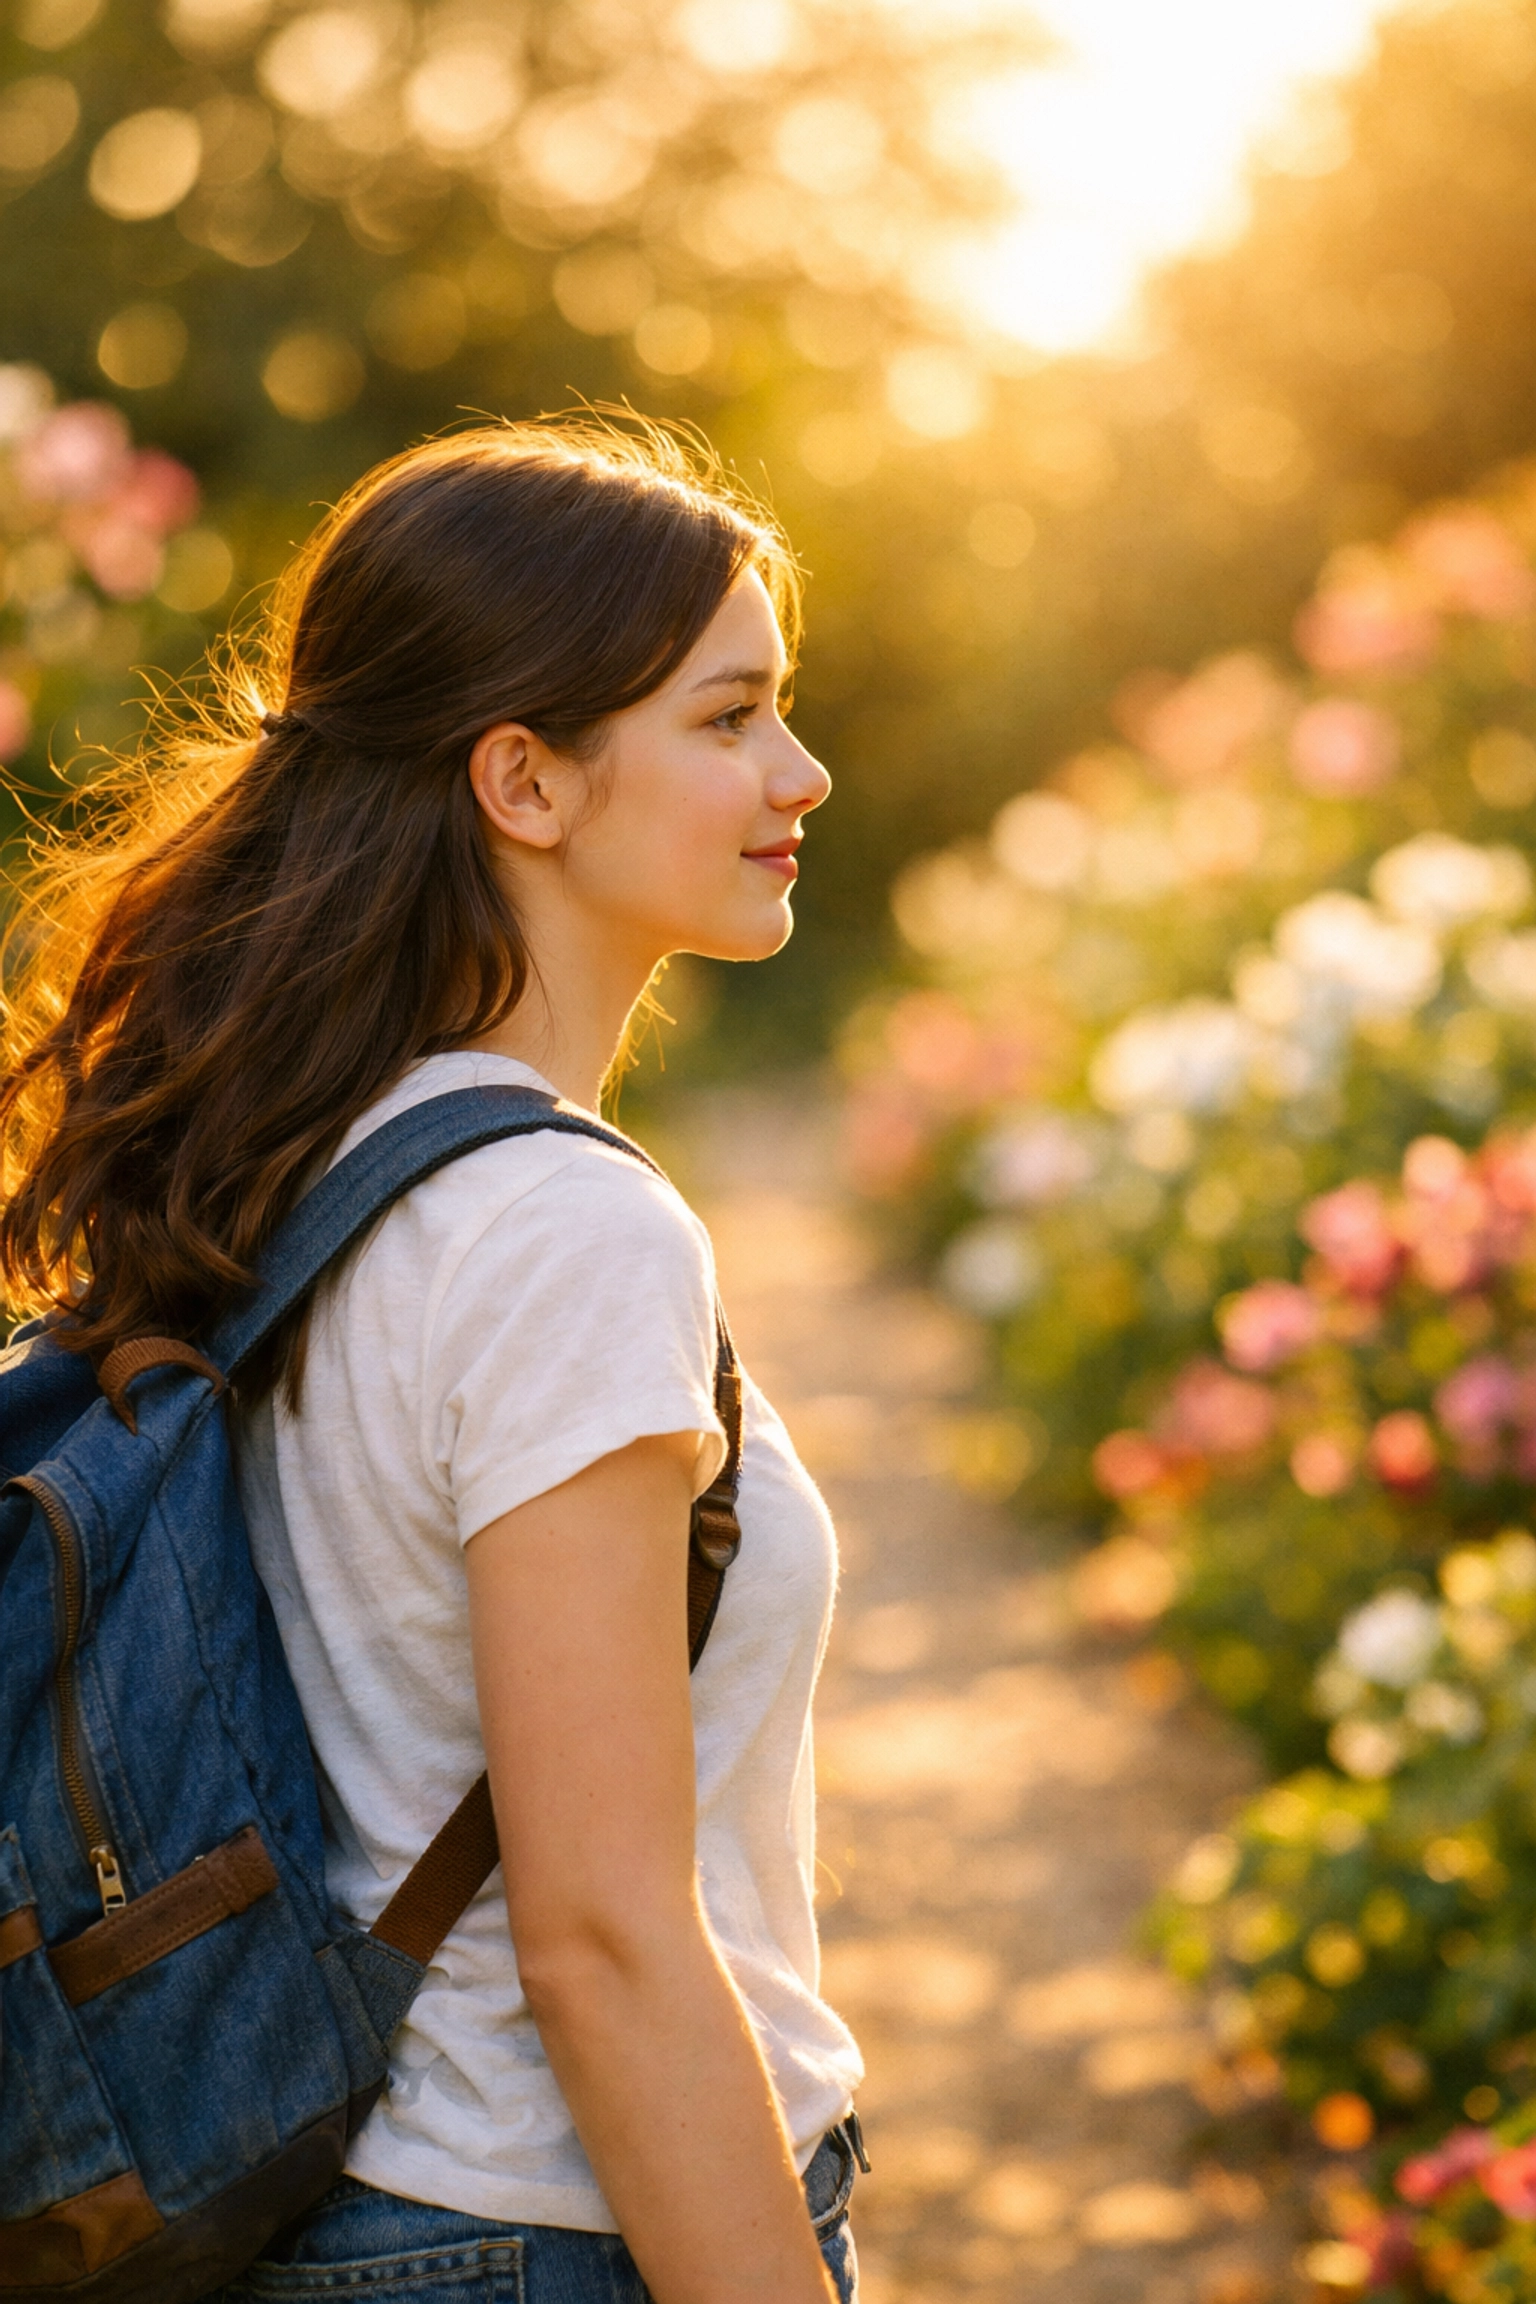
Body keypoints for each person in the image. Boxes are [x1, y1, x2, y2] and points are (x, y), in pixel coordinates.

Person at [0, 420, 864, 2303]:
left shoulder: (307, 1161)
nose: (799, 772)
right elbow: (602, 1937)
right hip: (554, 2230)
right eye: (727, 719)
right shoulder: (565, 1233)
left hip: (351, 2220)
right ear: (524, 782)